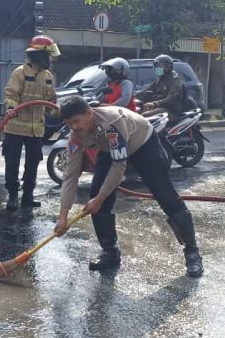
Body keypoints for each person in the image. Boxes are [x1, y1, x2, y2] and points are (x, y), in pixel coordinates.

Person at [53, 97, 204, 277]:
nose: (74, 127)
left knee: (165, 196)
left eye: (76, 121)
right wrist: (63, 216)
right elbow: (70, 174)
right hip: (110, 149)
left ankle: (192, 252)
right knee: (96, 195)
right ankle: (110, 252)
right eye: (69, 123)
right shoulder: (75, 136)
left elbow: (119, 168)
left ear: (88, 112)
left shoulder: (112, 123)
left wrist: (99, 199)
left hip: (143, 144)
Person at [1, 35, 60, 210]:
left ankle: (27, 196)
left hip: (36, 131)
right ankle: (12, 196)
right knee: (12, 164)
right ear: (39, 55)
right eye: (48, 55)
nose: (50, 59)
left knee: (33, 164)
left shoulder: (48, 76)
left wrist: (55, 111)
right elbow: (11, 94)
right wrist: (11, 107)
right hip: (15, 129)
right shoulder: (20, 72)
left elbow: (50, 100)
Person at [135, 54, 184, 118]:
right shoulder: (160, 79)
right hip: (160, 108)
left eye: (160, 66)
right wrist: (133, 97)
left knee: (145, 115)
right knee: (136, 112)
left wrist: (155, 104)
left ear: (168, 67)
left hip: (171, 110)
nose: (157, 68)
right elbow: (145, 91)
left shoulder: (174, 80)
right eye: (156, 66)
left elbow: (171, 98)